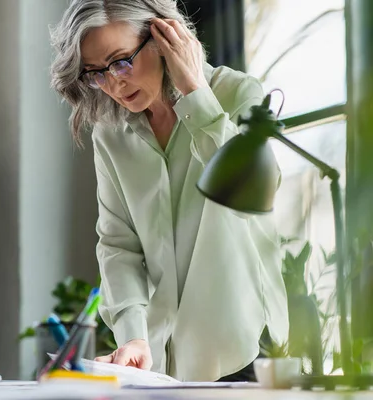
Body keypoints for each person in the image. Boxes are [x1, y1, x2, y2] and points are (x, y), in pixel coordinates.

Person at [49, 0, 289, 382]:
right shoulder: (111, 135)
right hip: (161, 363)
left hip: (243, 350)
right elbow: (118, 245)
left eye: (121, 61)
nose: (114, 83)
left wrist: (195, 91)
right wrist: (133, 336)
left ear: (164, 37)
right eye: (96, 73)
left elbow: (251, 195)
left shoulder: (237, 94)